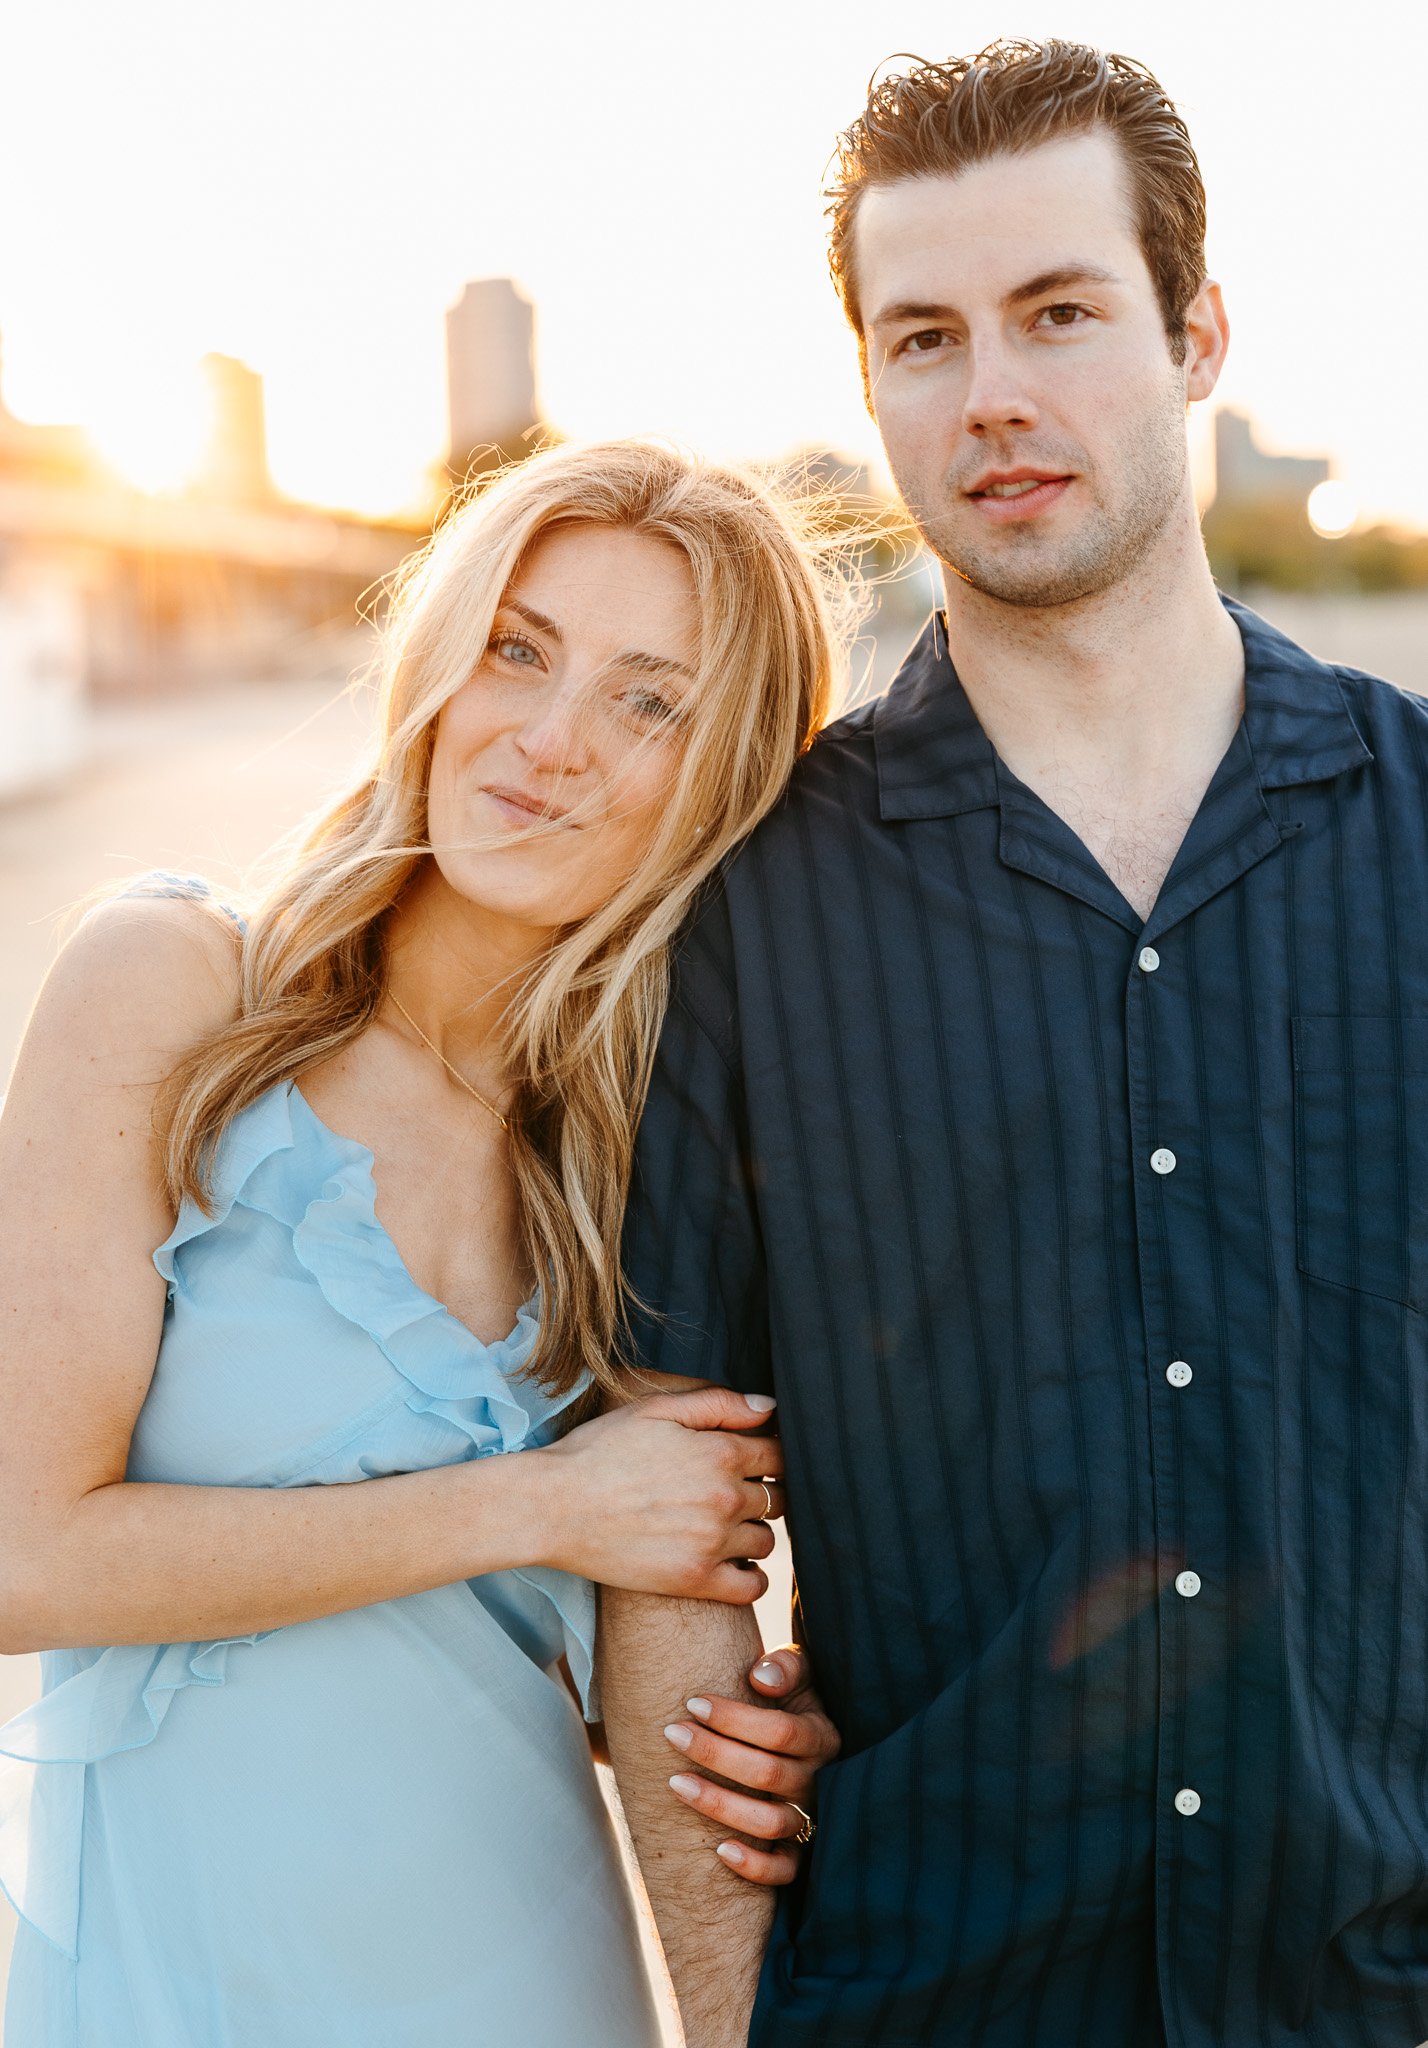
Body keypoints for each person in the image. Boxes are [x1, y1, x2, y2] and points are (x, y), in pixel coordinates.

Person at [601, 37, 1428, 2048]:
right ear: (872, 384)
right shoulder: (747, 902)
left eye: (1060, 313)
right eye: (926, 337)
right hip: (927, 1999)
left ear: (1195, 335)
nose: (992, 394)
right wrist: (730, 2018)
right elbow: (668, 1527)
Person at [0, 440, 847, 2048]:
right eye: (518, 650)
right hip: (177, 1989)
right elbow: (20, 1558)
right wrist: (542, 1501)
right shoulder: (174, 992)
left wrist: (755, 1738)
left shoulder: (638, 1162)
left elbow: (590, 1639)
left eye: (647, 702)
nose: (549, 738)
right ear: (439, 666)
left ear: (724, 780)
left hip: (529, 1976)